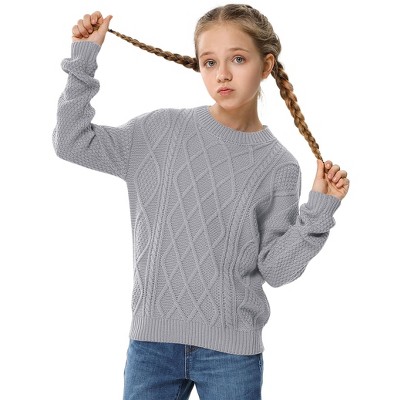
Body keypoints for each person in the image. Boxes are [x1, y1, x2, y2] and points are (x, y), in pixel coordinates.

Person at [53, 4, 350, 400]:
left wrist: (317, 213)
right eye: (209, 62)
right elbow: (72, 142)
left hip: (232, 353)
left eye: (238, 59)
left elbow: (276, 270)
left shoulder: (279, 166)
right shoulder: (160, 131)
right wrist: (84, 57)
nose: (222, 74)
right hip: (152, 346)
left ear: (266, 65)